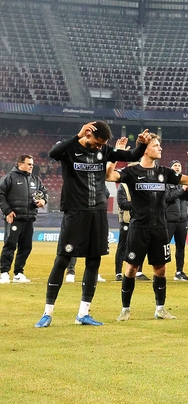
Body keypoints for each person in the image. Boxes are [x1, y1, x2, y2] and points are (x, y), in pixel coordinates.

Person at [36, 121, 150, 328]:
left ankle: (83, 313)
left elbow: (131, 156)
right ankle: (47, 312)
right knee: (62, 260)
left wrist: (141, 145)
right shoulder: (69, 148)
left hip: (98, 212)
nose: (100, 147)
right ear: (88, 134)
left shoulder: (105, 150)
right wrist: (76, 135)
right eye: (97, 142)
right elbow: (53, 153)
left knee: (93, 261)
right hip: (75, 212)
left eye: (102, 144)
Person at [107, 136, 188, 321]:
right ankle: (125, 309)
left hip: (160, 228)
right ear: (145, 150)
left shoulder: (164, 172)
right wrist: (116, 154)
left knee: (161, 269)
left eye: (160, 145)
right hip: (138, 228)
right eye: (156, 145)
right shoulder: (132, 171)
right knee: (131, 268)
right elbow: (109, 175)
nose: (161, 148)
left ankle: (160, 309)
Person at [0, 155, 47, 284]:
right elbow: (0, 194)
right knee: (10, 245)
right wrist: (7, 211)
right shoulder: (10, 178)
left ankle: (18, 273)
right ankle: (4, 272)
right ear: (20, 164)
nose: (32, 166)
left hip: (29, 218)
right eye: (29, 164)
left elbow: (44, 193)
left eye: (32, 164)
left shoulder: (35, 180)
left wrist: (43, 200)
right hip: (14, 218)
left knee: (26, 247)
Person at [165, 160, 188, 281]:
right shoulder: (167, 183)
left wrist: (187, 189)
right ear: (171, 168)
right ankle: (160, 270)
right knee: (164, 246)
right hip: (169, 220)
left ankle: (179, 272)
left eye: (179, 165)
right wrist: (181, 190)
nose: (178, 167)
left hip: (182, 220)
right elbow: (168, 198)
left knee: (181, 247)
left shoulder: (185, 182)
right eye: (175, 166)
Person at [114, 178, 131, 281]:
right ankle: (118, 272)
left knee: (138, 247)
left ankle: (136, 272)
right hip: (126, 221)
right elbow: (122, 204)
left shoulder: (141, 184)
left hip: (139, 221)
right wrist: (139, 204)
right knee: (122, 247)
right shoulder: (123, 186)